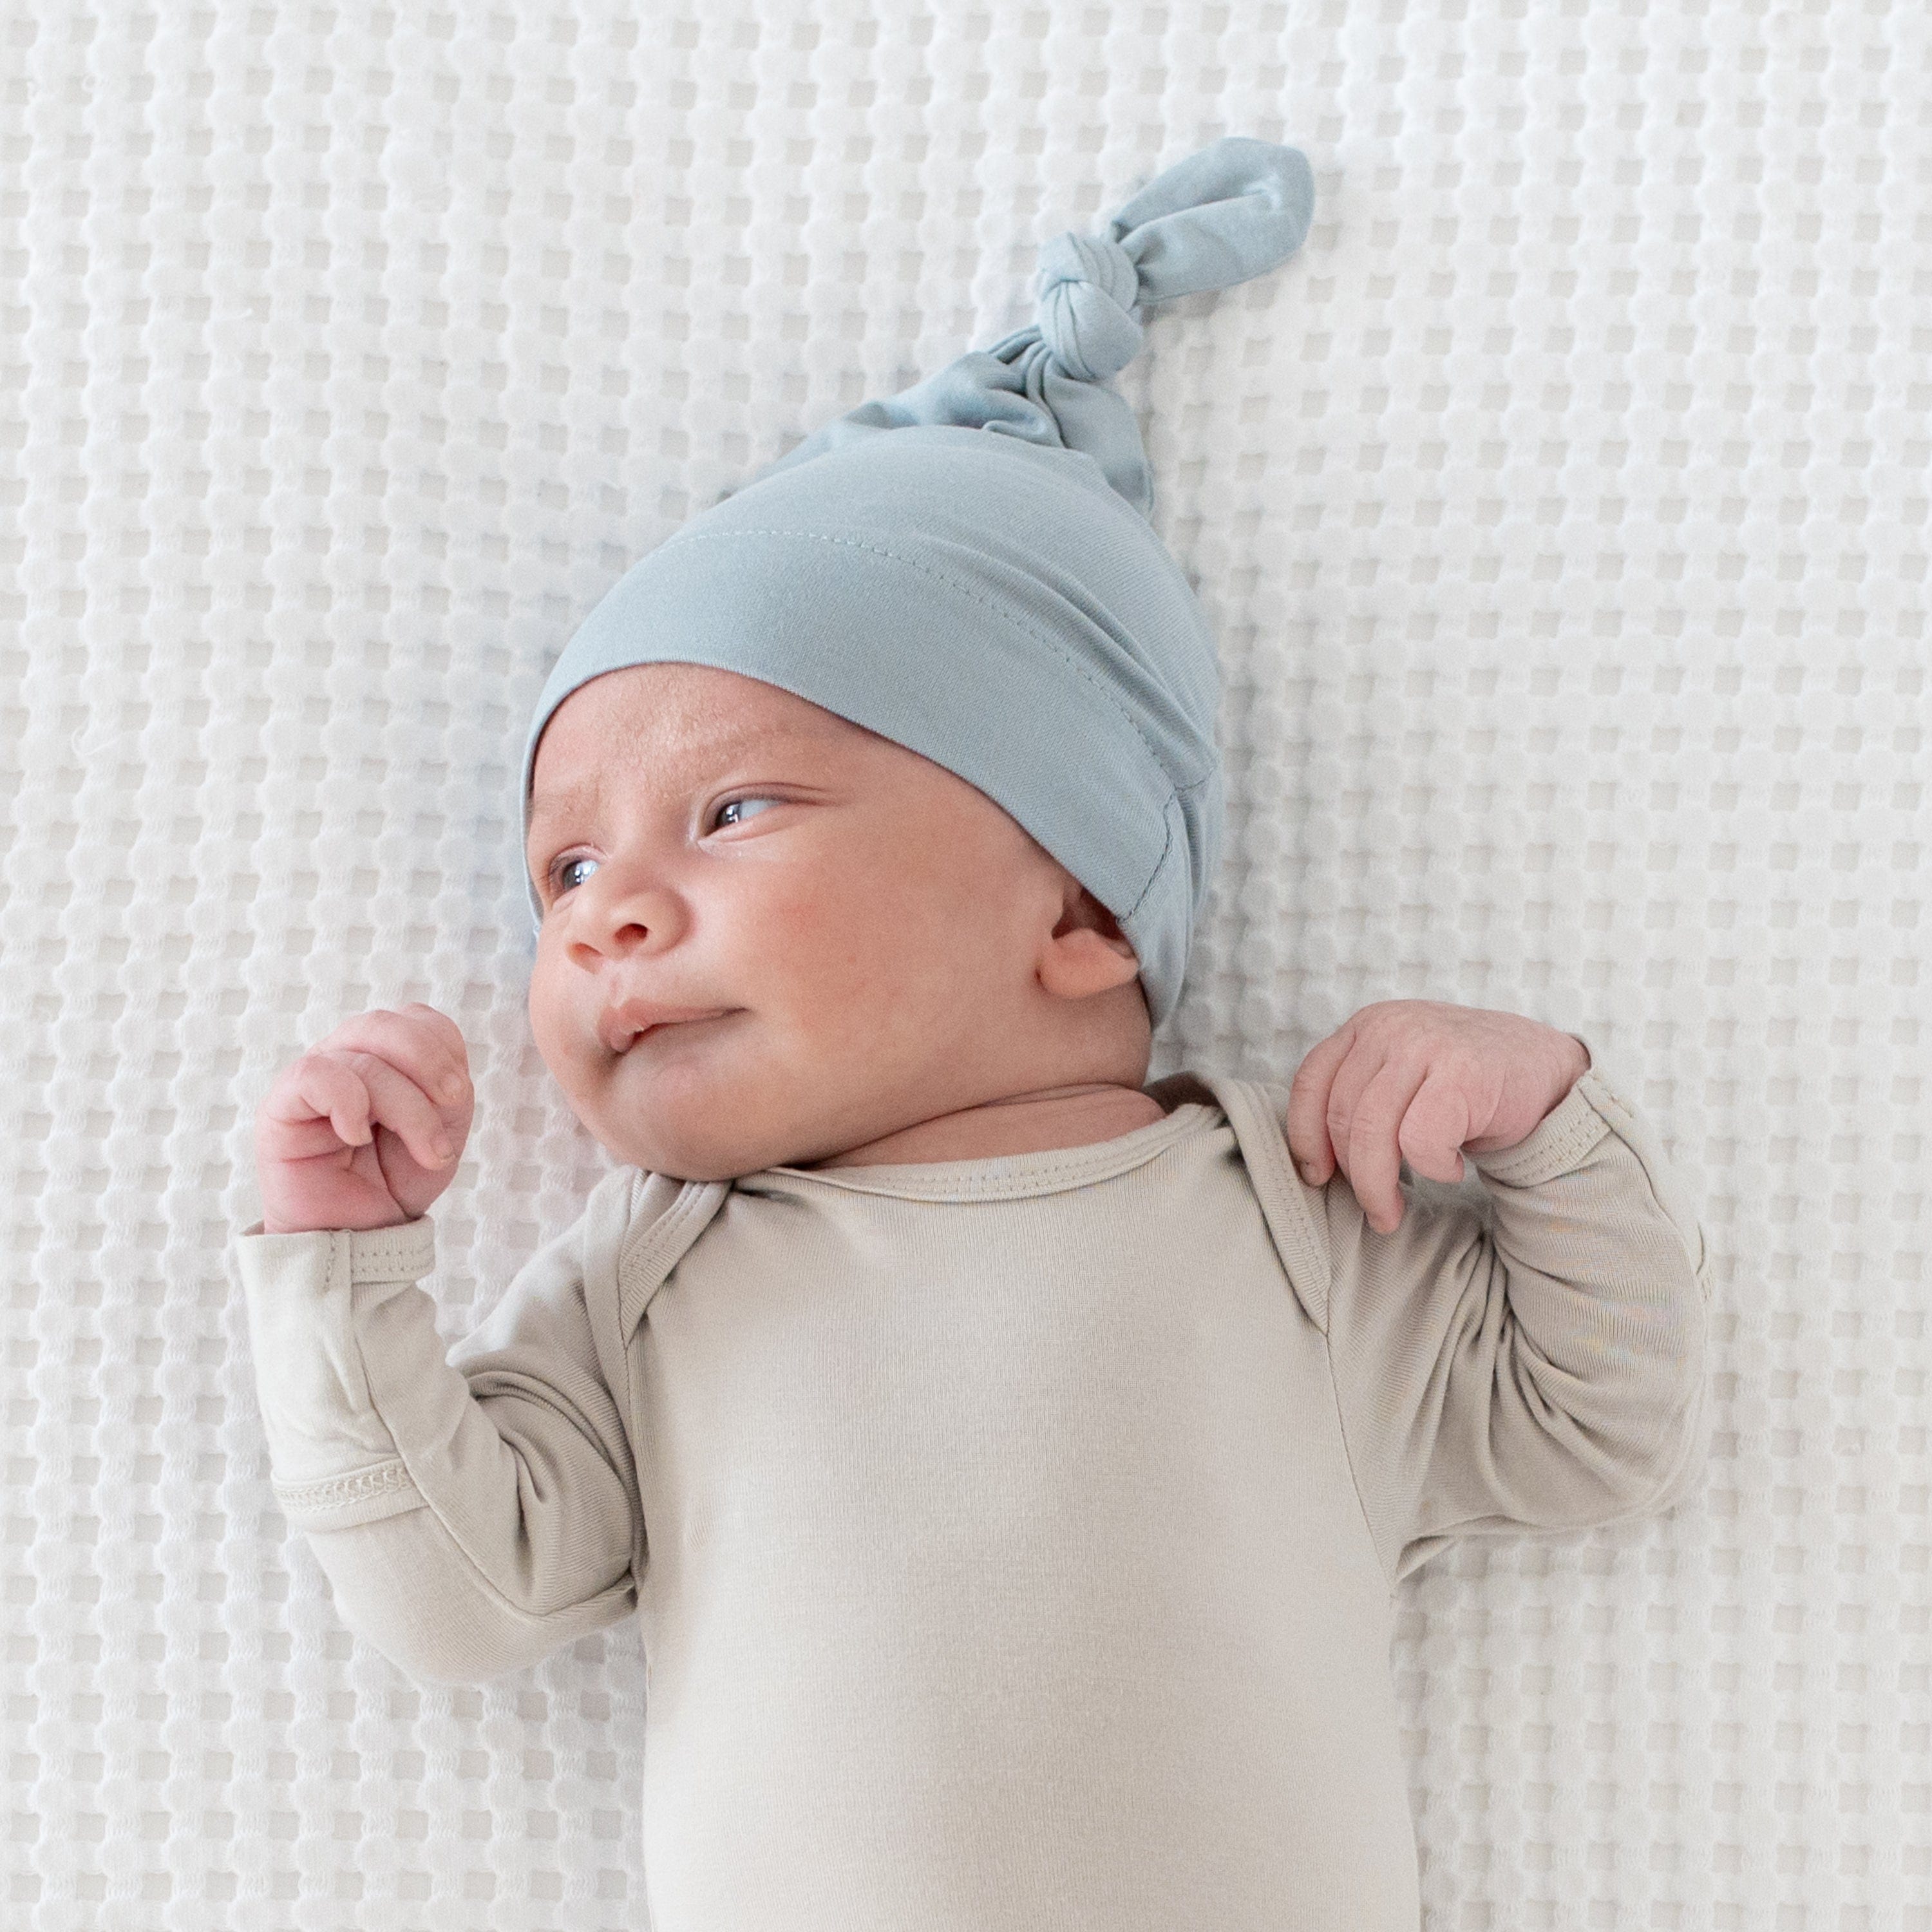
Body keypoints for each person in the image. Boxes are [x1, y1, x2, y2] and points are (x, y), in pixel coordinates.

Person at [236, 138, 1710, 1930]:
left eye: (727, 816)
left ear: (1080, 910)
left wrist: (1543, 1127)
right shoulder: (662, 1273)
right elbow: (464, 1599)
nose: (601, 912)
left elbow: (1590, 1428)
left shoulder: (1291, 1219)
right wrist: (340, 1276)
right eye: (560, 867)